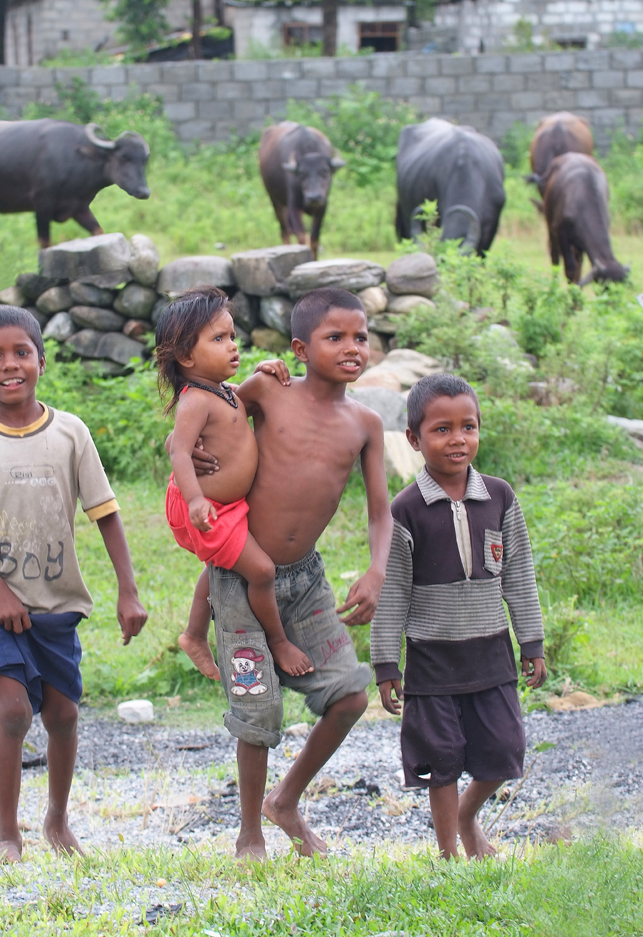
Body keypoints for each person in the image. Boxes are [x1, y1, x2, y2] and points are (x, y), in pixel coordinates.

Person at [0, 306, 148, 863]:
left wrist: (128, 590)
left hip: (57, 605)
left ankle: (55, 817)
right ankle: (7, 833)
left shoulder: (70, 433)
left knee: (63, 715)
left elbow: (106, 514)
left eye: (21, 352)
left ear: (42, 361)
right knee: (13, 711)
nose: (10, 365)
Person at [189, 286, 393, 860]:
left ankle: (287, 799)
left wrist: (377, 571)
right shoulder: (268, 392)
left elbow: (381, 510)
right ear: (301, 349)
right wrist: (196, 453)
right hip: (240, 583)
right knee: (257, 712)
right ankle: (249, 831)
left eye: (361, 337)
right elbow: (207, 412)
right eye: (336, 338)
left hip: (305, 583)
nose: (352, 347)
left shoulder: (366, 423)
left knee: (351, 694)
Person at [371, 373, 547, 860]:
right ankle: (449, 853)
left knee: (505, 750)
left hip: (492, 653)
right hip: (432, 661)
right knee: (441, 759)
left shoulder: (500, 497)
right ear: (414, 439)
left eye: (468, 427)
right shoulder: (405, 511)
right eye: (442, 429)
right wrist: (387, 663)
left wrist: (531, 641)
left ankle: (470, 817)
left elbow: (519, 576)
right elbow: (393, 593)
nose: (458, 440)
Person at [156, 286, 313, 680]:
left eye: (232, 337)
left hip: (223, 507)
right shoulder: (194, 401)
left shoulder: (222, 391)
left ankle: (193, 634)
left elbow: (240, 406)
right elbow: (178, 450)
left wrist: (267, 366)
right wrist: (195, 500)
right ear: (187, 356)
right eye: (219, 339)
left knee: (218, 565)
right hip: (205, 507)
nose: (232, 346)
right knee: (260, 571)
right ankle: (278, 642)